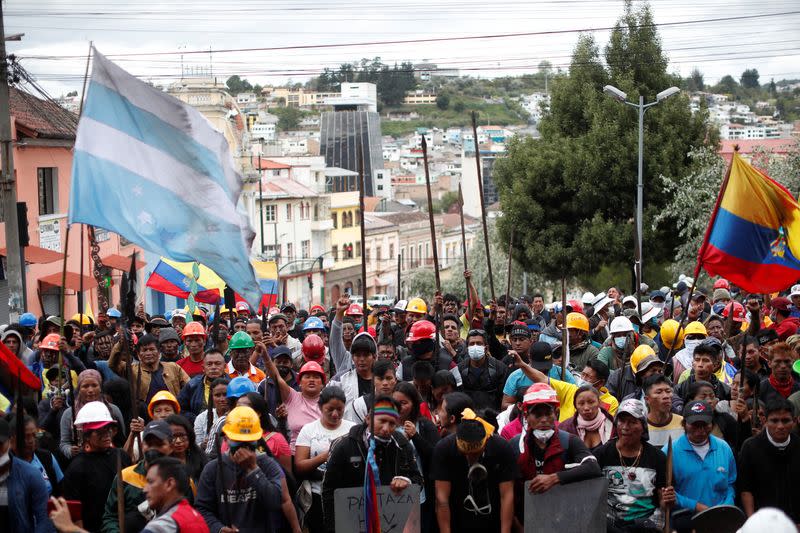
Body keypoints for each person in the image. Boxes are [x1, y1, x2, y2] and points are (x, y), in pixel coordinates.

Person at [322, 396, 423, 533]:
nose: (386, 429)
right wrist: (333, 528)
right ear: (368, 418)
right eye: (382, 421)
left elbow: (418, 480)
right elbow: (329, 491)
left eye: (392, 424)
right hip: (352, 523)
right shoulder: (345, 446)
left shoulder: (403, 445)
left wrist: (407, 481)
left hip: (391, 523)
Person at [510, 384, 601, 524]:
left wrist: (554, 478)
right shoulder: (515, 446)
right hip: (525, 521)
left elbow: (593, 467)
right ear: (526, 415)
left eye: (548, 413)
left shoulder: (569, 441)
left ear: (556, 413)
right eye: (537, 414)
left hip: (561, 520)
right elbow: (507, 490)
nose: (544, 419)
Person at [195, 406, 285, 532]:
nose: (244, 446)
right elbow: (202, 509)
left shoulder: (267, 465)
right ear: (226, 438)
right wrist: (219, 529)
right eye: (238, 441)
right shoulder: (213, 469)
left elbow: (275, 502)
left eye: (249, 441)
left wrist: (254, 470)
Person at [593, 399, 674, 532]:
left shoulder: (657, 457)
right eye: (622, 421)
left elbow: (663, 504)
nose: (625, 427)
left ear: (643, 426)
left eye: (632, 422)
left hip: (645, 525)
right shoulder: (601, 454)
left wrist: (667, 501)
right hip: (609, 525)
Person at [431, 408, 515, 533]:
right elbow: (442, 499)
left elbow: (507, 496)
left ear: (485, 441)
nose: (471, 458)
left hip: (493, 522)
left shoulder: (501, 448)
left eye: (476, 453)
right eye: (466, 453)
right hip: (457, 521)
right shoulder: (444, 449)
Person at [668, 400, 737, 532]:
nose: (700, 430)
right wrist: (697, 507)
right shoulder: (670, 451)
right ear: (684, 424)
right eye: (695, 425)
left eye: (705, 424)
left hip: (720, 522)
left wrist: (727, 505)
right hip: (686, 522)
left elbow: (731, 483)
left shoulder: (723, 448)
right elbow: (666, 492)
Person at [62, 401, 131, 532]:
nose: (106, 434)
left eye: (108, 429)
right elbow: (75, 514)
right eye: (99, 431)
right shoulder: (77, 467)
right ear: (87, 436)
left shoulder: (121, 456)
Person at [294, 386, 355, 533]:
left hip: (346, 495)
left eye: (339, 409)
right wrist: (325, 456)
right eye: (330, 409)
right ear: (321, 407)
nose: (335, 414)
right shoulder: (309, 430)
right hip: (317, 494)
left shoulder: (353, 429)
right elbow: (300, 466)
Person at [102, 419, 176, 533]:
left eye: (159, 444)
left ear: (171, 447)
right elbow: (110, 517)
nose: (153, 448)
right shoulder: (125, 476)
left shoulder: (180, 481)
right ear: (142, 445)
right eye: (149, 444)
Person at [738, 399, 800, 524]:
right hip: (763, 521)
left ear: (793, 421)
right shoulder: (750, 447)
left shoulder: (798, 445)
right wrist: (752, 522)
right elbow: (746, 489)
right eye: (774, 420)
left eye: (785, 420)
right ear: (765, 421)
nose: (780, 426)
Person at [511, 351, 618, 422]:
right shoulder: (570, 389)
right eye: (583, 374)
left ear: (600, 383)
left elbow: (607, 426)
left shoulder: (611, 402)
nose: (582, 379)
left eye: (588, 377)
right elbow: (542, 379)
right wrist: (522, 365)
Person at [393, 381, 440, 532]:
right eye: (395, 402)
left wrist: (415, 436)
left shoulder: (425, 426)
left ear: (413, 403)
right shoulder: (385, 425)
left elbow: (435, 457)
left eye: (404, 403)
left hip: (420, 491)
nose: (399, 407)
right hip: (390, 492)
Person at [264, 348, 324, 451]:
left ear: (323, 384)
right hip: (293, 455)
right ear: (299, 383)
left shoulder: (328, 402)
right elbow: (276, 377)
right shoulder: (292, 397)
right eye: (307, 376)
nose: (311, 380)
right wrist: (265, 357)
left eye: (316, 377)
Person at [0, 417, 53, 532]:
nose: (30, 440)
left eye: (0, 444)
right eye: (26, 436)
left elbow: (43, 518)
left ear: (11, 442)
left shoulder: (31, 474)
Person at [108, 333, 190, 407]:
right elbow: (112, 364)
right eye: (144, 350)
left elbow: (190, 386)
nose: (148, 353)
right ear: (138, 354)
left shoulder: (173, 367)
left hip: (172, 413)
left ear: (159, 352)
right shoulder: (131, 369)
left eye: (151, 349)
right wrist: (121, 343)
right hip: (145, 417)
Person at [59, 369, 126, 459]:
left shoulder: (113, 410)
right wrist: (70, 450)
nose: (90, 390)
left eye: (94, 385)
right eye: (85, 386)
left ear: (100, 388)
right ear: (79, 389)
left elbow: (121, 439)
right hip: (82, 461)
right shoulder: (69, 414)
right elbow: (64, 443)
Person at [140, 456, 209, 533]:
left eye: (150, 482)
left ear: (169, 484)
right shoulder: (197, 517)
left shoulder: (163, 525)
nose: (144, 489)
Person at [500, 341, 575, 410]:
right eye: (539, 367)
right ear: (529, 357)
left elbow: (574, 395)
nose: (542, 371)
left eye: (546, 367)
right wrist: (526, 407)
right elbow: (505, 404)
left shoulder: (562, 373)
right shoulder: (516, 377)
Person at [10, 414, 63, 497]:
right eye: (26, 436)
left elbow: (61, 488)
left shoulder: (47, 457)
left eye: (34, 435)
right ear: (13, 438)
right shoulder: (7, 464)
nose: (31, 441)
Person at [672, 338, 731, 413]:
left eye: (705, 360)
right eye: (697, 360)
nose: (700, 364)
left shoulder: (725, 391)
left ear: (715, 365)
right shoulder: (679, 389)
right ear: (692, 363)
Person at [458, 329, 508, 409]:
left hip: (492, 416)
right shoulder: (460, 368)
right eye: (472, 344)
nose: (475, 346)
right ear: (467, 348)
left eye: (479, 343)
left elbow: (504, 397)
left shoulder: (499, 368)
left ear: (486, 348)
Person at [558, 385, 616, 451]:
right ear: (575, 405)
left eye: (591, 402)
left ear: (599, 403)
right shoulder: (565, 428)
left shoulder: (613, 427)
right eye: (581, 403)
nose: (586, 408)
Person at [328, 331, 377, 407]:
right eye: (358, 355)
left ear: (374, 357)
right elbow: (325, 401)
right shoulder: (341, 379)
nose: (362, 359)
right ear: (352, 357)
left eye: (366, 355)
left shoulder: (382, 379)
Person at [178, 349, 227, 420]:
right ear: (203, 368)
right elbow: (180, 409)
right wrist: (197, 420)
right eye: (209, 364)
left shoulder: (233, 386)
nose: (213, 367)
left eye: (217, 363)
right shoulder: (192, 385)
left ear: (225, 366)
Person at [344, 358, 397, 424]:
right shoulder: (360, 405)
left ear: (395, 380)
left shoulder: (401, 403)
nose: (385, 383)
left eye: (389, 378)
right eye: (380, 379)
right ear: (373, 380)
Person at [643, 375, 684, 447]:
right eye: (659, 392)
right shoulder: (641, 426)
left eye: (668, 391)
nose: (666, 396)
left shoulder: (683, 423)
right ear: (647, 399)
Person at [193, 377, 230, 450]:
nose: (222, 399)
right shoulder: (202, 418)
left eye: (225, 394)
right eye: (217, 395)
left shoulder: (236, 416)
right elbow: (196, 445)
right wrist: (203, 445)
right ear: (212, 397)